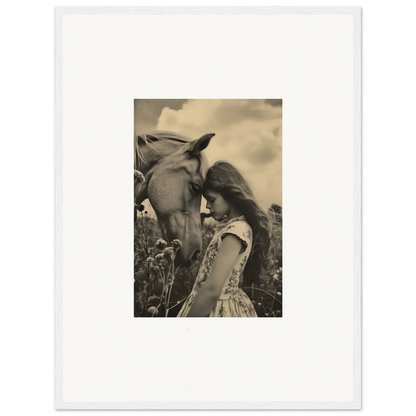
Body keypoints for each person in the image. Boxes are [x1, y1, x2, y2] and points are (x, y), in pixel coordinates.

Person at [177, 161, 275, 317]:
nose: (208, 206)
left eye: (212, 199)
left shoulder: (236, 230)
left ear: (229, 195)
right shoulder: (235, 227)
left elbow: (212, 290)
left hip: (217, 308)